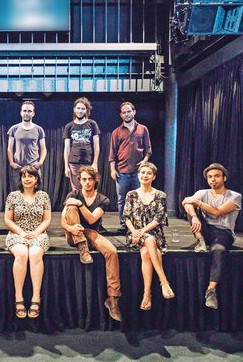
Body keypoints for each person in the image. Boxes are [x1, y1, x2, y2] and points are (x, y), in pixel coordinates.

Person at [60, 166, 122, 321]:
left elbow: (92, 219)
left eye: (90, 179)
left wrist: (80, 205)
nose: (87, 182)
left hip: (91, 233)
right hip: (73, 235)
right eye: (84, 179)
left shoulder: (103, 199)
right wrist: (71, 228)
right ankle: (82, 246)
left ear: (95, 180)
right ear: (79, 181)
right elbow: (62, 220)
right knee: (71, 205)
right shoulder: (73, 195)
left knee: (112, 252)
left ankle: (113, 298)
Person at [182, 163, 242, 310]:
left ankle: (211, 290)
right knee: (190, 210)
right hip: (205, 229)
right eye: (210, 177)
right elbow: (186, 202)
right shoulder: (203, 193)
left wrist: (198, 203)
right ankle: (200, 240)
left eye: (216, 176)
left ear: (224, 178)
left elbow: (217, 212)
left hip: (223, 232)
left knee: (219, 250)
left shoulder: (235, 196)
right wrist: (194, 216)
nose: (213, 180)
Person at [123, 162, 175, 311]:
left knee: (146, 251)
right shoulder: (131, 194)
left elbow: (159, 219)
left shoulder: (160, 195)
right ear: (139, 175)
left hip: (154, 233)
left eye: (149, 173)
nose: (145, 175)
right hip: (134, 234)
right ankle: (163, 281)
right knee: (149, 241)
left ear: (154, 177)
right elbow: (126, 217)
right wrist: (135, 231)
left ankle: (147, 295)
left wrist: (143, 231)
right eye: (143, 172)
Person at [4, 166, 51, 319]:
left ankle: (36, 297)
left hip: (38, 233)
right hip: (17, 233)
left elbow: (47, 220)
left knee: (35, 254)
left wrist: (36, 232)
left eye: (30, 176)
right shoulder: (13, 196)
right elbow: (8, 220)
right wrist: (21, 233)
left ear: (36, 179)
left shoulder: (43, 196)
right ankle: (18, 297)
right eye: (24, 176)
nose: (27, 179)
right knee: (23, 254)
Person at [109, 101, 152, 231]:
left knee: (139, 198)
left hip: (139, 172)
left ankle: (138, 224)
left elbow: (148, 149)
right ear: (121, 115)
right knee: (122, 199)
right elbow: (112, 153)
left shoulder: (143, 129)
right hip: (121, 171)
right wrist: (112, 170)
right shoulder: (116, 132)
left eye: (129, 111)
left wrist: (145, 161)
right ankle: (124, 225)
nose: (127, 114)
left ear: (134, 112)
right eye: (124, 112)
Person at [7, 101, 47, 190]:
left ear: (33, 113)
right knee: (18, 193)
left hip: (33, 167)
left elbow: (43, 148)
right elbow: (9, 148)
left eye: (29, 111)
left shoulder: (39, 129)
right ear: (21, 112)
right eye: (24, 111)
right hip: (18, 168)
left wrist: (40, 162)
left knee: (36, 193)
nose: (26, 113)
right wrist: (11, 163)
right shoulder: (14, 129)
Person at [63, 97, 101, 192]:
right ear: (74, 109)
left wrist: (95, 163)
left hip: (89, 162)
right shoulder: (69, 126)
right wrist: (66, 166)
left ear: (86, 110)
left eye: (83, 109)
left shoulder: (92, 124)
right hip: (74, 163)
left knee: (90, 188)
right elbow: (66, 148)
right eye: (78, 108)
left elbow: (96, 145)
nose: (80, 111)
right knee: (76, 190)